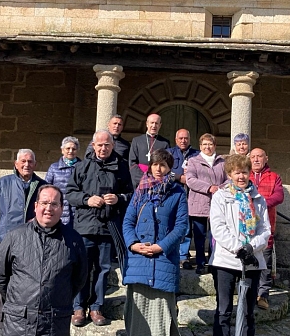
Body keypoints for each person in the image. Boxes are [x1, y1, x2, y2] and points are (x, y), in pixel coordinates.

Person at [0, 185, 88, 336]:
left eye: (54, 204)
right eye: (44, 203)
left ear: (62, 208)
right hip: (19, 322)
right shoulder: (15, 236)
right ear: (36, 206)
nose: (49, 208)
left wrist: (57, 296)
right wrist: (18, 300)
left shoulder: (74, 240)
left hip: (54, 324)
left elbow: (79, 278)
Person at [65, 130, 133, 327]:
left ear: (112, 146)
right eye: (100, 145)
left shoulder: (120, 167)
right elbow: (70, 193)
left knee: (103, 269)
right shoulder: (82, 166)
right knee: (82, 267)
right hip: (85, 225)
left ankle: (96, 307)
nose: (103, 148)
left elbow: (130, 193)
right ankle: (78, 308)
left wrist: (118, 198)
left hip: (108, 225)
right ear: (93, 146)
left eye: (107, 145)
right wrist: (87, 199)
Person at [122, 149, 188, 336]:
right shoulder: (140, 191)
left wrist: (162, 246)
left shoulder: (177, 193)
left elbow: (181, 226)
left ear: (169, 168)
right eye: (155, 164)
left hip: (163, 259)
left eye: (163, 165)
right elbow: (128, 221)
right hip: (138, 259)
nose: (158, 169)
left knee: (162, 312)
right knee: (138, 311)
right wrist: (133, 244)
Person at [0, 148, 48, 336]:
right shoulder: (3, 184)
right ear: (16, 163)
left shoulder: (42, 186)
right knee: (3, 281)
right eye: (23, 161)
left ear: (35, 164)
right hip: (6, 241)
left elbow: (46, 213)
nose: (27, 164)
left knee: (26, 284)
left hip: (31, 244)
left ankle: (22, 324)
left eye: (30, 161)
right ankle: (0, 326)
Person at [209, 154, 271, 336]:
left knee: (247, 310)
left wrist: (251, 248)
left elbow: (265, 229)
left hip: (252, 261)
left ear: (249, 173)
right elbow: (218, 228)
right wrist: (239, 249)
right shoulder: (221, 197)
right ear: (229, 174)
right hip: (226, 261)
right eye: (237, 173)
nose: (241, 177)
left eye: (244, 172)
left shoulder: (258, 199)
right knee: (224, 309)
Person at [186, 133, 227, 274]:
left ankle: (214, 262)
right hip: (199, 203)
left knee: (216, 235)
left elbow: (229, 179)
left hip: (218, 204)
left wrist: (219, 188)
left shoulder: (222, 162)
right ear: (200, 146)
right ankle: (200, 263)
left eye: (210, 144)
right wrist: (209, 188)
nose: (207, 147)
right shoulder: (193, 161)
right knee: (199, 236)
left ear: (215, 146)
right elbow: (190, 179)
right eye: (204, 144)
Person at [249, 148, 284, 310]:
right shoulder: (245, 175)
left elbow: (278, 196)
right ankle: (248, 294)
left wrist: (261, 204)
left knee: (264, 263)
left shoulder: (274, 177)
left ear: (266, 158)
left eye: (259, 156)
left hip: (266, 226)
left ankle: (262, 295)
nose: (256, 159)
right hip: (246, 227)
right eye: (253, 157)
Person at [167, 128, 200, 270]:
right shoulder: (169, 153)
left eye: (185, 138)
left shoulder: (197, 155)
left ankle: (183, 256)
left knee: (187, 227)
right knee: (173, 224)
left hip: (192, 195)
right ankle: (171, 252)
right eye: (180, 138)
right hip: (173, 194)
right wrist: (179, 177)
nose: (183, 141)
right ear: (176, 140)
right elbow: (164, 172)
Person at [45, 136, 81, 227]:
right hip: (59, 211)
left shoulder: (83, 167)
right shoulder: (54, 168)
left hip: (78, 213)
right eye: (68, 148)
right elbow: (46, 189)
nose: (70, 151)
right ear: (62, 150)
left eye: (73, 149)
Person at [128, 113, 170, 188]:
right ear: (147, 124)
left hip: (157, 182)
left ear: (160, 125)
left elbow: (167, 164)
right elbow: (132, 163)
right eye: (152, 123)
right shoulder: (137, 141)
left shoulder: (165, 143)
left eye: (156, 123)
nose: (154, 126)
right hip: (139, 182)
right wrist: (144, 179)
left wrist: (156, 179)